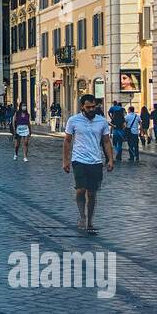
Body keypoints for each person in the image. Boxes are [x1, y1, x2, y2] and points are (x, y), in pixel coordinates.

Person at [62, 93, 114, 234]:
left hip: (96, 161)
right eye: (88, 107)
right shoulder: (73, 121)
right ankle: (82, 216)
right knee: (80, 190)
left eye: (93, 107)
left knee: (92, 193)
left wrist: (110, 159)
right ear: (82, 107)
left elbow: (106, 141)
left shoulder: (102, 121)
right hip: (79, 160)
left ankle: (90, 221)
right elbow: (67, 141)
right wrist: (66, 160)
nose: (91, 109)